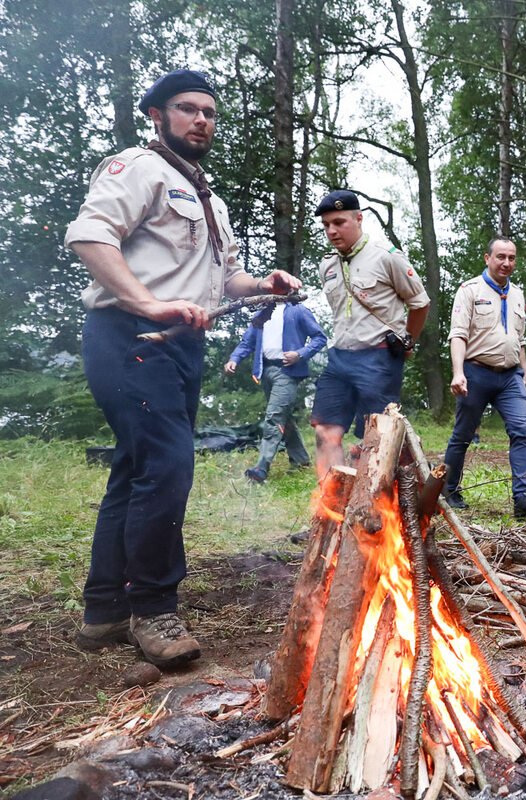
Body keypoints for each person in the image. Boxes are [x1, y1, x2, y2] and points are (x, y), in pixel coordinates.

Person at [65, 69, 302, 666]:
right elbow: (90, 236)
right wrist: (145, 301)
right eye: (188, 109)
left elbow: (221, 281)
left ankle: (104, 612)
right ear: (157, 116)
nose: (202, 119)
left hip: (181, 347)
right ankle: (153, 608)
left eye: (209, 112)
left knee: (137, 467)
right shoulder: (137, 169)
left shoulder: (209, 198)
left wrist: (263, 284)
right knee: (168, 466)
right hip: (131, 336)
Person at [309, 190, 430, 480]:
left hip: (378, 359)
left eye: (339, 222)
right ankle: (332, 506)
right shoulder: (327, 265)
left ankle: (371, 506)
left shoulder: (387, 258)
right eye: (326, 225)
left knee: (375, 439)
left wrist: (408, 342)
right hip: (339, 358)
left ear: (359, 218)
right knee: (325, 431)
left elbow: (420, 302)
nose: (332, 230)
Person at [442, 237, 526, 518]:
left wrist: (524, 370)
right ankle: (449, 489)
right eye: (501, 257)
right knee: (463, 435)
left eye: (511, 258)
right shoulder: (469, 290)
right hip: (475, 373)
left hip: (510, 377)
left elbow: (520, 338)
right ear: (488, 258)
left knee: (521, 431)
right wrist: (458, 372)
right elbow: (458, 335)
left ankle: (522, 498)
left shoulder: (518, 294)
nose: (507, 263)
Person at [224, 301, 327, 482]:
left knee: (274, 416)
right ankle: (301, 461)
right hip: (265, 371)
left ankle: (261, 468)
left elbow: (320, 338)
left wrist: (300, 353)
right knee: (283, 418)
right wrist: (234, 358)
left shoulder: (298, 310)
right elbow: (248, 342)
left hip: (287, 371)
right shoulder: (261, 313)